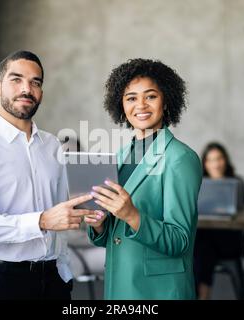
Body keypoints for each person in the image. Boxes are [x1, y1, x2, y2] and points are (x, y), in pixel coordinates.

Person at [0, 51, 95, 300]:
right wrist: (40, 221)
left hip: (53, 281)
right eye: (16, 79)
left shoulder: (53, 145)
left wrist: (64, 270)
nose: (27, 89)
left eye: (35, 82)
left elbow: (61, 213)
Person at [84, 58, 202, 299]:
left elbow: (180, 240)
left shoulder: (180, 158)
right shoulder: (120, 155)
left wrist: (132, 215)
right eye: (131, 98)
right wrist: (97, 223)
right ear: (122, 106)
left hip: (157, 291)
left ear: (166, 101)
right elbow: (112, 236)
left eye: (150, 96)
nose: (141, 105)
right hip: (121, 283)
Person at [193, 142, 244, 300]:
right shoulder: (199, 182)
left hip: (229, 239)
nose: (216, 163)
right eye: (211, 160)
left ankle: (202, 296)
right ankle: (202, 295)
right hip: (205, 238)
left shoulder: (237, 182)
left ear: (226, 160)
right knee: (203, 247)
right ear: (205, 163)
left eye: (219, 158)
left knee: (202, 250)